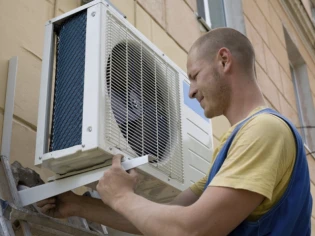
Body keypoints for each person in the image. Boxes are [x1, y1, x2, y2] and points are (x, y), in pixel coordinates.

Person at [38, 28, 312, 236]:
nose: (191, 91)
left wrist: (122, 196)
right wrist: (77, 206)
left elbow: (192, 229)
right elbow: (172, 217)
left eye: (194, 75)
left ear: (224, 61)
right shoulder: (235, 142)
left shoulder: (265, 131)